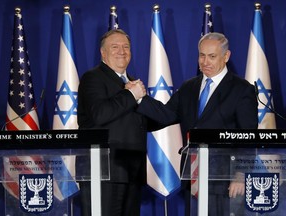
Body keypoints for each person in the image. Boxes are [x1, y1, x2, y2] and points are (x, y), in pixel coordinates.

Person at [137, 32, 258, 216]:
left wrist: (241, 175)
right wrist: (140, 99)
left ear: (226, 56)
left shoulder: (241, 89)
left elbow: (248, 136)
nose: (205, 62)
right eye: (202, 55)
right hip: (192, 176)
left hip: (224, 180)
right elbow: (165, 115)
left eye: (212, 56)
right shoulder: (189, 87)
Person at [77, 29, 148, 216]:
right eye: (115, 47)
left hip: (132, 172)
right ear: (103, 53)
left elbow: (144, 122)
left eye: (126, 47)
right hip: (103, 173)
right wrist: (131, 95)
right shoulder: (92, 78)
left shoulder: (133, 83)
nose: (122, 51)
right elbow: (100, 114)